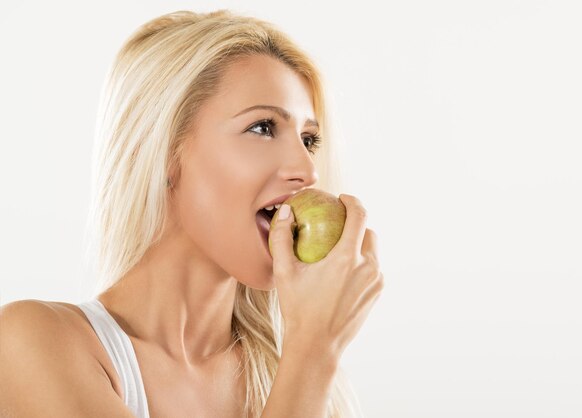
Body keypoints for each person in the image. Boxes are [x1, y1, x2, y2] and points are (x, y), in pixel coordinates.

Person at [0, 9, 384, 418]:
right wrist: (313, 349)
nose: (308, 172)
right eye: (263, 127)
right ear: (164, 152)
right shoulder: (31, 344)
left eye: (309, 139)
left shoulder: (293, 378)